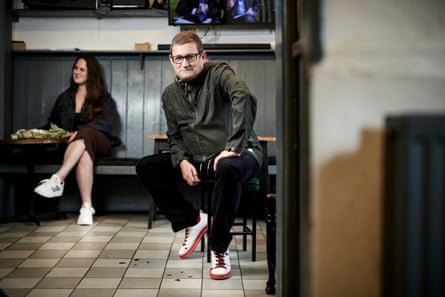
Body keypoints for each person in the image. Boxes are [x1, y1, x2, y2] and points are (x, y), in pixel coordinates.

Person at [136, 32, 262, 280]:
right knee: (147, 166)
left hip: (241, 155)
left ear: (202, 56)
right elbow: (174, 137)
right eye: (179, 58)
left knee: (227, 166)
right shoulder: (169, 95)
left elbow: (243, 95)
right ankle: (193, 220)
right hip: (199, 159)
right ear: (171, 60)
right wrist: (182, 160)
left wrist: (234, 146)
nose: (185, 63)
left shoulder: (218, 73)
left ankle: (219, 248)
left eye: (191, 57)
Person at [33, 54, 121, 226]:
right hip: (75, 149)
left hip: (101, 143)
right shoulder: (64, 97)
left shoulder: (103, 97)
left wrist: (79, 131)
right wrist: (36, 132)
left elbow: (107, 124)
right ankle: (86, 208)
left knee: (86, 133)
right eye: (75, 68)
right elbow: (53, 124)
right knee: (83, 155)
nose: (77, 72)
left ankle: (58, 179)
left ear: (91, 73)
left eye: (82, 69)